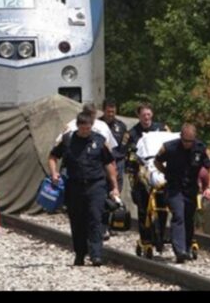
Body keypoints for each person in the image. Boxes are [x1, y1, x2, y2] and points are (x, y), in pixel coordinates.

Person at [49, 111, 119, 267]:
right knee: (77, 221)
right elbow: (53, 156)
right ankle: (80, 254)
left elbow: (109, 164)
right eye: (83, 128)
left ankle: (96, 255)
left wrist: (114, 186)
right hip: (74, 185)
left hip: (96, 184)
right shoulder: (67, 140)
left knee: (95, 218)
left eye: (88, 128)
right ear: (78, 126)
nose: (86, 131)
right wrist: (54, 173)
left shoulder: (99, 141)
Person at [154, 123, 210, 263]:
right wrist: (166, 173)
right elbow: (157, 161)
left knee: (188, 218)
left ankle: (186, 248)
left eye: (190, 141)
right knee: (178, 214)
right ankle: (179, 250)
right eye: (185, 140)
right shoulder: (169, 147)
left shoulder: (201, 149)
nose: (188, 144)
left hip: (191, 188)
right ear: (181, 137)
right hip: (174, 187)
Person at [124, 102, 170, 251]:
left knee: (162, 206)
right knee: (143, 208)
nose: (146, 118)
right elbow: (126, 153)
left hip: (158, 173)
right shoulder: (132, 134)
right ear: (139, 116)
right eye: (144, 115)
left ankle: (160, 236)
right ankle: (146, 239)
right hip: (140, 175)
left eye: (149, 114)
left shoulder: (162, 129)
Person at [99, 98, 127, 193]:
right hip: (101, 163)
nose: (111, 114)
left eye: (113, 111)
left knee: (116, 191)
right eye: (108, 111)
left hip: (117, 162)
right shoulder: (97, 124)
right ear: (103, 110)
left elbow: (123, 147)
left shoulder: (121, 126)